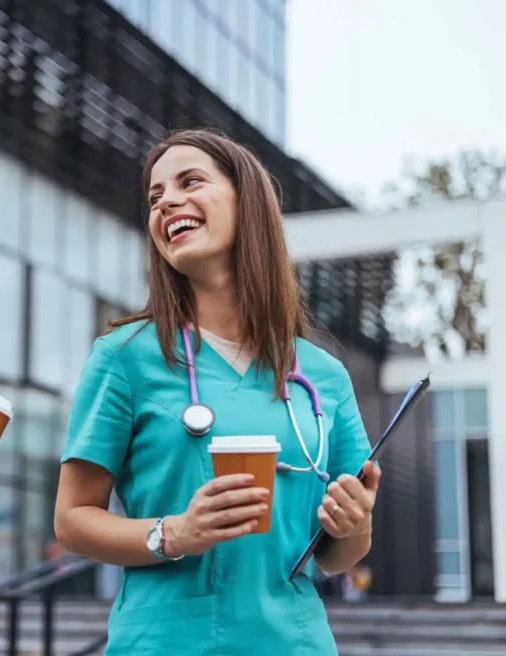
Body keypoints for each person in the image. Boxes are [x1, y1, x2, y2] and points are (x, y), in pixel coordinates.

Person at [53, 129, 381, 655]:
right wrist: (174, 534)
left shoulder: (323, 375)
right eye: (155, 197)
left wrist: (354, 524)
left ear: (246, 202)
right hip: (165, 642)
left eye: (190, 182)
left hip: (294, 643)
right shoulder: (124, 357)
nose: (166, 203)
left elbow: (336, 556)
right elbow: (72, 520)